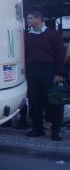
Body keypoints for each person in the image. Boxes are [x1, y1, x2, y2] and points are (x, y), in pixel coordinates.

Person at [24, 10, 65, 141]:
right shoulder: (26, 36)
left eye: (30, 18)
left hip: (48, 70)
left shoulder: (53, 34)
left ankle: (55, 130)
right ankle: (37, 128)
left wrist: (59, 73)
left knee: (52, 100)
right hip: (32, 70)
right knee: (34, 99)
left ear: (39, 19)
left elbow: (60, 54)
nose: (27, 20)